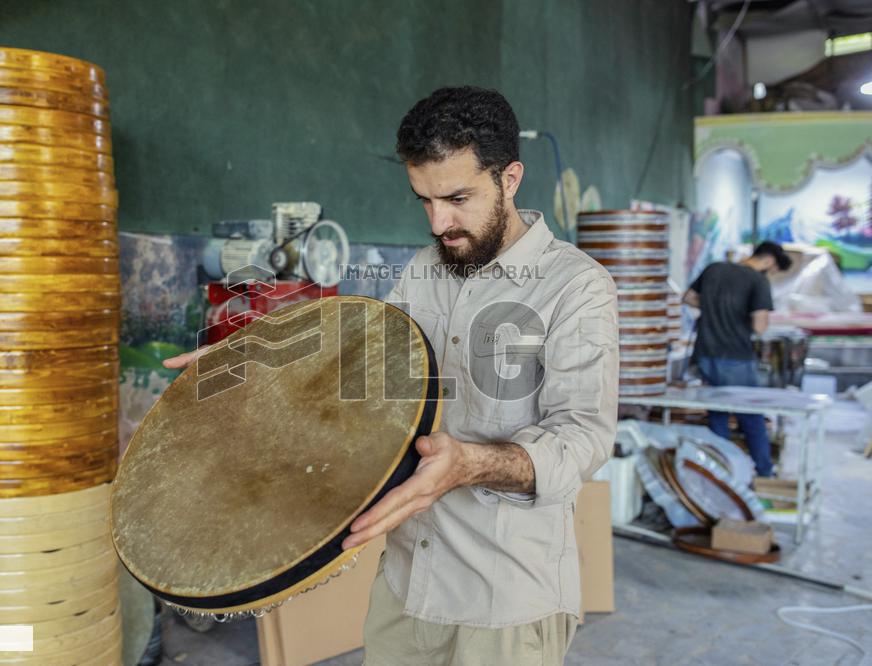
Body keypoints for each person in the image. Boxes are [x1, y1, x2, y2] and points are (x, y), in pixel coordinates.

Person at [165, 86, 619, 665]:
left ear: (510, 178)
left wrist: (469, 464)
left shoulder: (576, 287)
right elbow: (375, 363)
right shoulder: (426, 269)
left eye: (457, 197)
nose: (439, 222)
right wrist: (265, 357)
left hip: (506, 598)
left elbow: (583, 436)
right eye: (423, 200)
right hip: (408, 582)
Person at [683, 241, 792, 477]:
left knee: (717, 415)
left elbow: (689, 297)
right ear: (770, 261)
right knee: (751, 417)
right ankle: (764, 472)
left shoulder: (714, 268)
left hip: (705, 355)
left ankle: (722, 473)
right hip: (735, 359)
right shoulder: (758, 280)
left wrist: (714, 309)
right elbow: (760, 326)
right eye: (773, 271)